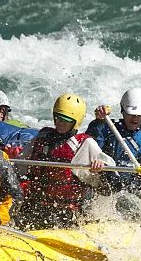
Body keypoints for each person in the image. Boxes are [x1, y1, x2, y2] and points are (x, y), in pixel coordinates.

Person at [19, 93, 109, 228]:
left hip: (67, 211)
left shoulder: (84, 143)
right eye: (58, 118)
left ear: (76, 121)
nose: (60, 123)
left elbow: (110, 181)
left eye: (66, 120)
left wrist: (102, 168)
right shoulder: (43, 137)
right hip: (35, 204)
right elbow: (20, 165)